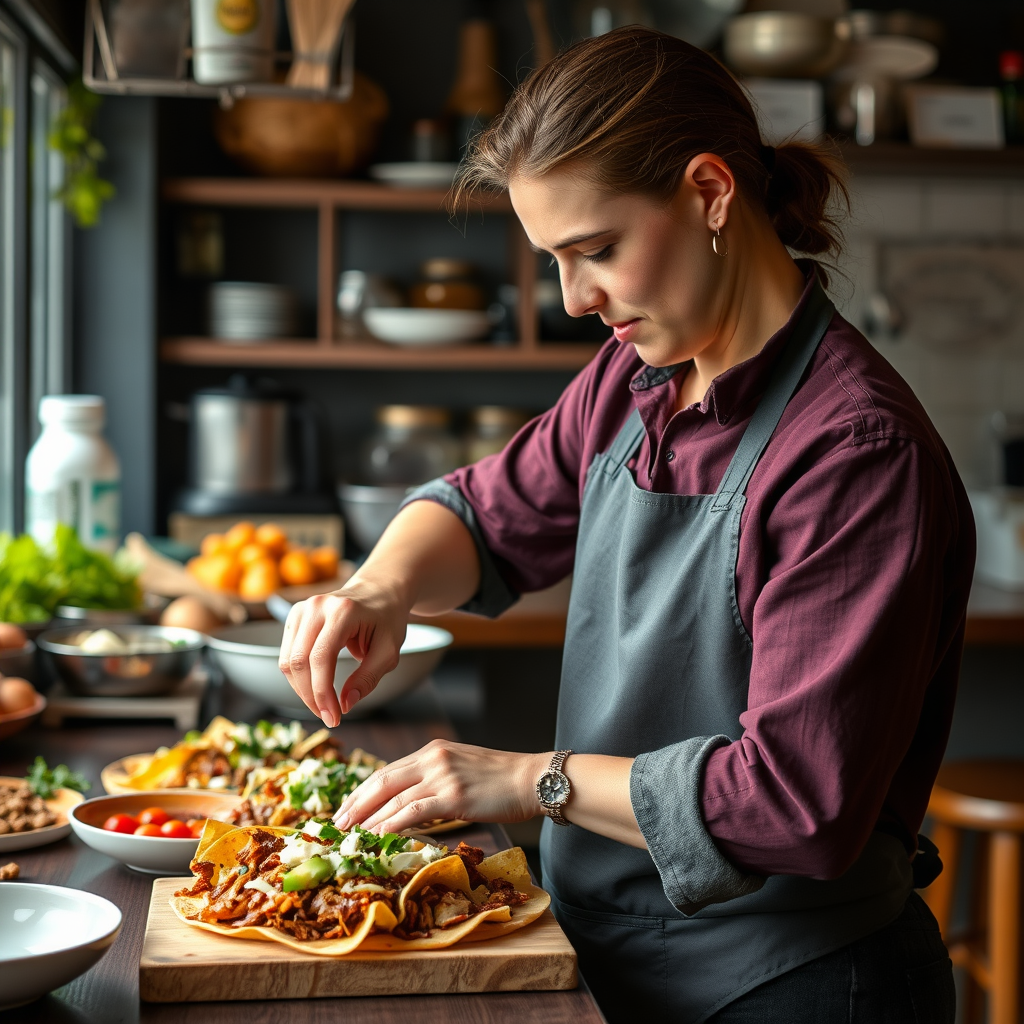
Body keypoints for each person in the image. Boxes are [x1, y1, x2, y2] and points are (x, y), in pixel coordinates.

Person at [279, 27, 973, 1024]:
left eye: (595, 250)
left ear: (707, 192)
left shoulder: (857, 452)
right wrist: (375, 589)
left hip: (787, 983)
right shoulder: (633, 377)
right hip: (613, 958)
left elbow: (794, 804)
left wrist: (526, 780)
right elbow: (483, 511)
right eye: (555, 259)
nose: (573, 297)